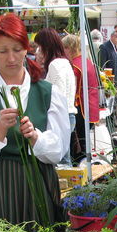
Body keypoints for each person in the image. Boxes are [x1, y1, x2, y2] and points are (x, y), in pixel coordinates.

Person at [0, 13, 70, 231]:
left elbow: (58, 151)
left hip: (37, 187)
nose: (11, 58)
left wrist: (36, 137)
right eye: (3, 51)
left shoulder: (49, 94)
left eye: (17, 50)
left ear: (27, 49)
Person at [34, 28, 76, 166]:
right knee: (64, 159)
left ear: (46, 47)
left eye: (39, 47)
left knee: (61, 161)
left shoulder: (55, 64)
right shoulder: (65, 62)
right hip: (68, 115)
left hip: (61, 116)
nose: (37, 52)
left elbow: (58, 96)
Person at [62, 34, 100, 163]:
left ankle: (79, 166)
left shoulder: (76, 66)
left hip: (81, 107)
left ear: (69, 48)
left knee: (78, 142)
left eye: (64, 48)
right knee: (84, 141)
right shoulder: (86, 61)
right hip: (90, 105)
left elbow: (72, 91)